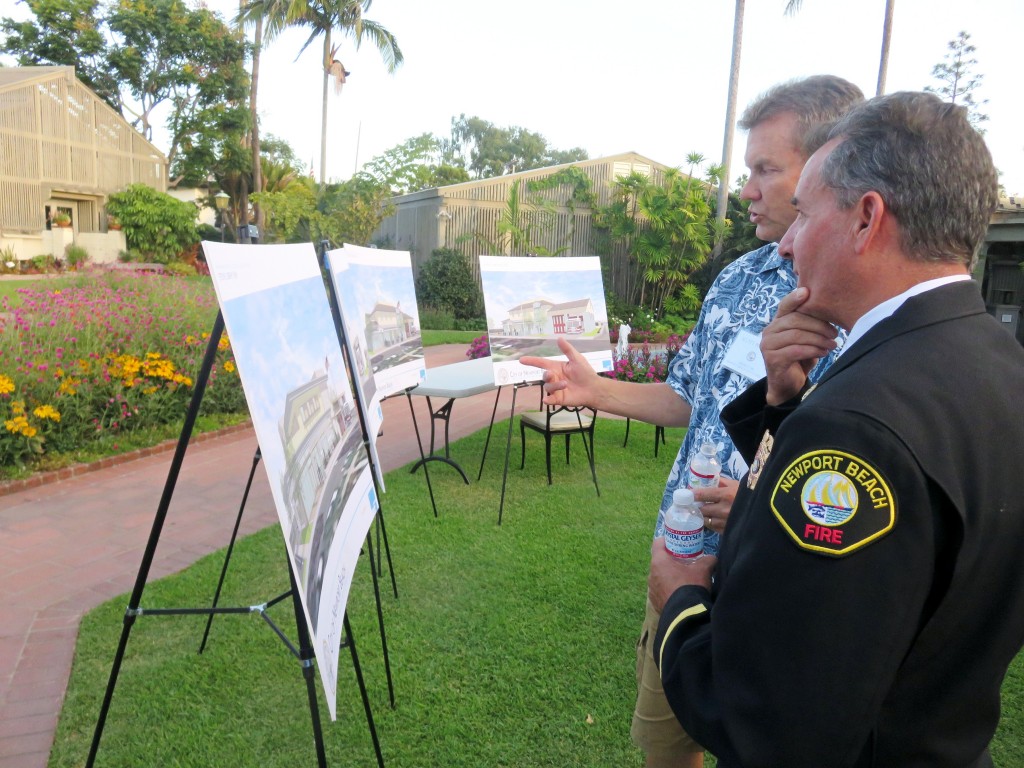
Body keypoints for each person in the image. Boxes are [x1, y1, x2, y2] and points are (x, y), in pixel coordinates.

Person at [649, 90, 1024, 768]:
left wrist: (678, 603)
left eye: (804, 213)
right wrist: (784, 406)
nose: (788, 244)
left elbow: (772, 723)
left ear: (866, 219)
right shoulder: (996, 364)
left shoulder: (853, 428)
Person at [522, 75, 864, 768]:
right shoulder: (738, 280)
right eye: (750, 171)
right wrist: (598, 392)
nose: (747, 191)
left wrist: (767, 509)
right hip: (680, 566)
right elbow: (691, 399)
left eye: (766, 171)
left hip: (780, 583)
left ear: (831, 167)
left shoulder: (860, 310)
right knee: (666, 747)